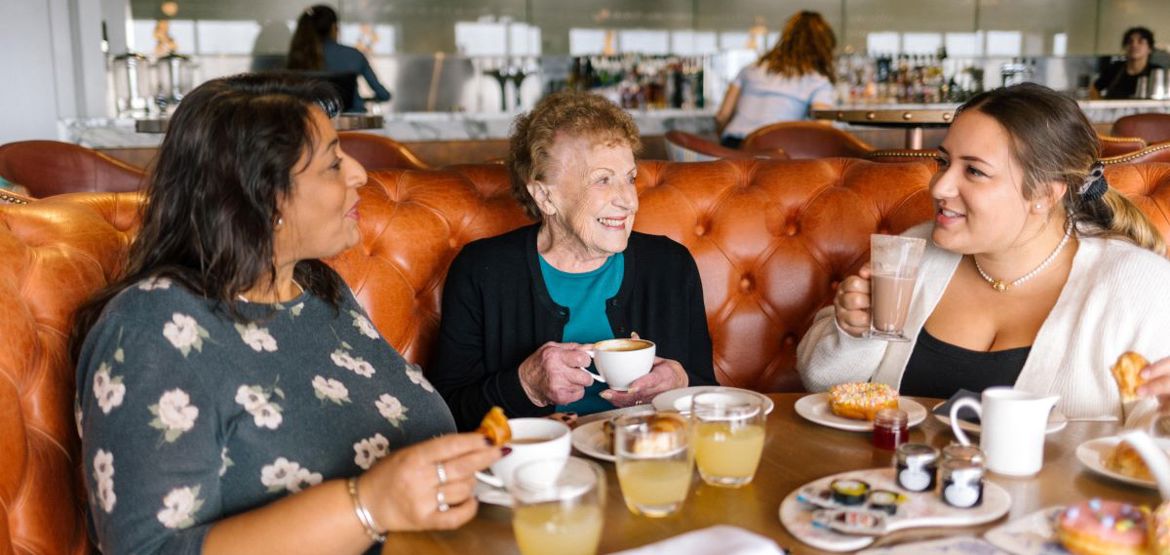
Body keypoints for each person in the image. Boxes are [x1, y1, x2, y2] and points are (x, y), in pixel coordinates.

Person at [70, 73, 500, 554]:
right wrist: (367, 505)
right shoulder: (150, 327)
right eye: (333, 163)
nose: (359, 173)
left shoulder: (318, 290)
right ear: (264, 196)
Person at [796, 83, 1170, 425]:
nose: (940, 186)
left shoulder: (1140, 287)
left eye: (974, 171)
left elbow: (1150, 445)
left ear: (1045, 194)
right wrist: (853, 331)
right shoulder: (916, 253)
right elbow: (822, 384)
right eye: (943, 162)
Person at [429, 90, 716, 430]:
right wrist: (525, 385)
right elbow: (445, 411)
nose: (628, 201)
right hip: (538, 470)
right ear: (544, 196)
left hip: (645, 457)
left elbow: (708, 392)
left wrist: (681, 383)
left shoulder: (669, 265)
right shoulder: (483, 271)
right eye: (602, 180)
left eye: (630, 178)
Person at [715, 11, 838, 148]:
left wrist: (724, 142)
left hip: (732, 147)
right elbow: (823, 130)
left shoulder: (750, 69)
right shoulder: (818, 80)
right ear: (823, 47)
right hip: (774, 153)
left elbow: (722, 115)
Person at [288, 4, 391, 112]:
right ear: (334, 27)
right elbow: (383, 95)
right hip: (353, 122)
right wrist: (362, 100)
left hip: (312, 122)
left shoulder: (297, 56)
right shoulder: (354, 55)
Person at [1092, 26, 1163, 99]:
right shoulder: (1114, 68)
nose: (1134, 45)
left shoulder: (1156, 72)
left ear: (1150, 49)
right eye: (1130, 41)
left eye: (1140, 41)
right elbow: (1094, 89)